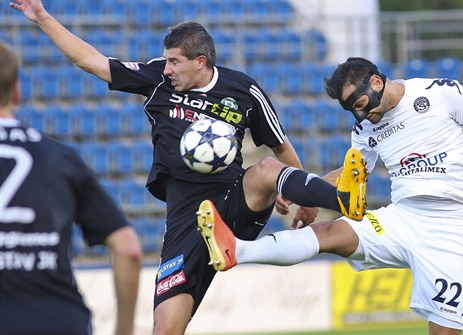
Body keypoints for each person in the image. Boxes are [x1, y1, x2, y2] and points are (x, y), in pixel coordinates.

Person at [9, 1, 368, 334]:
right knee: (165, 329)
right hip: (185, 218)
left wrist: (302, 196)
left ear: (200, 61)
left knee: (266, 168)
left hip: (232, 198)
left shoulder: (243, 90)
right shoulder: (158, 81)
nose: (166, 69)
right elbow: (93, 62)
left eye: (174, 62)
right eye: (165, 61)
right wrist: (43, 17)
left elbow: (280, 144)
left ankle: (341, 197)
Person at [197, 57, 463, 335]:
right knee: (329, 234)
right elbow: (351, 170)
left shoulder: (443, 93)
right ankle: (237, 250)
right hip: (402, 218)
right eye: (351, 108)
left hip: (450, 228)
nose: (361, 112)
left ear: (376, 80)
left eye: (361, 101)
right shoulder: (367, 126)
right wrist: (306, 196)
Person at [0, 41, 143, 335]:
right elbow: (128, 249)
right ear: (17, 91)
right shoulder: (60, 156)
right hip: (58, 319)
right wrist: (124, 330)